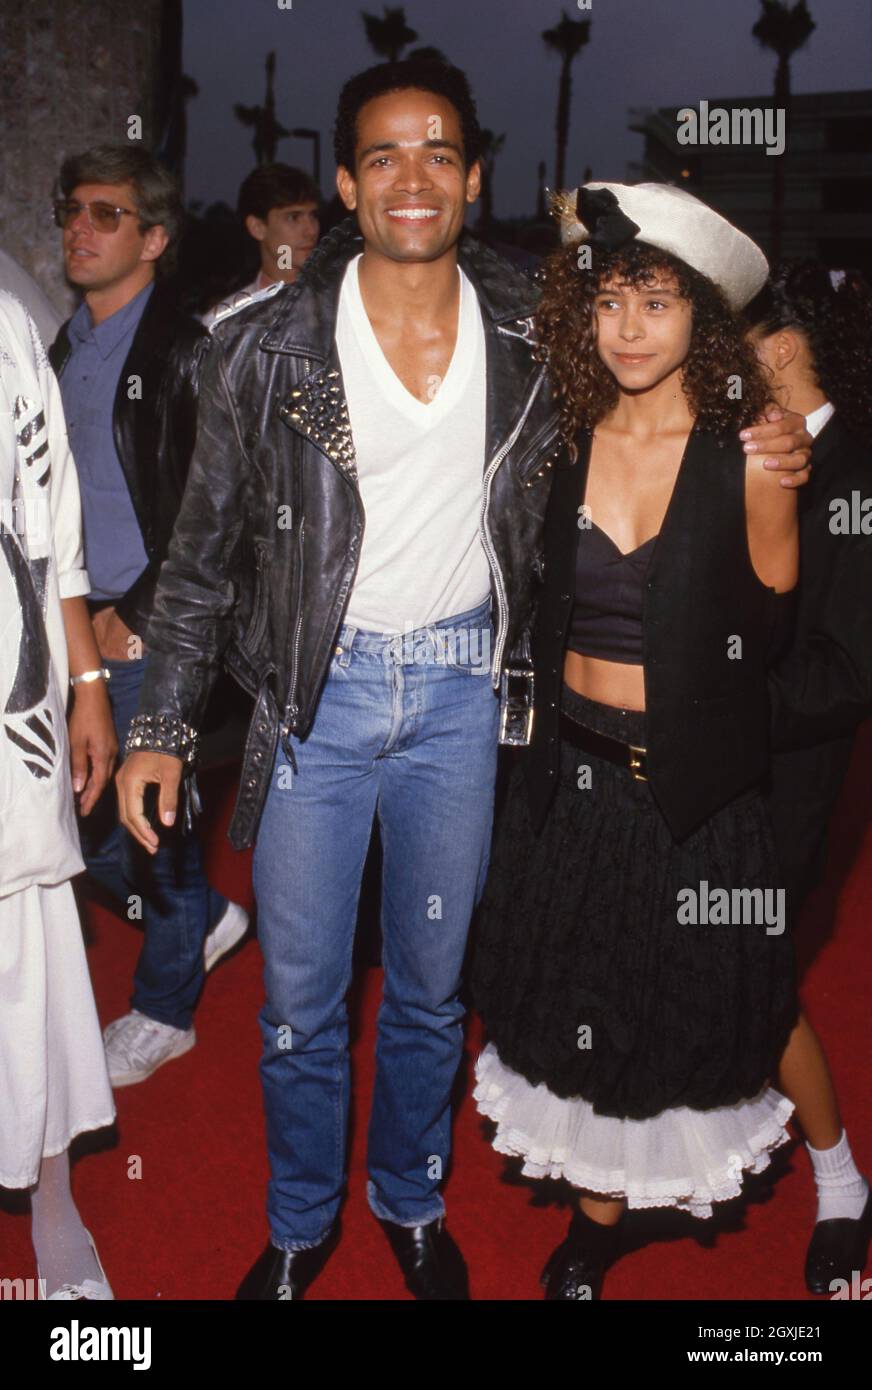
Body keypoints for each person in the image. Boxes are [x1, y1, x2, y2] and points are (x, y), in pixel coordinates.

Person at [115, 63, 811, 1301]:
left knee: (435, 995)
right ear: (345, 182)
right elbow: (199, 555)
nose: (412, 174)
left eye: (437, 150)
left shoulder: (530, 320)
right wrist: (160, 721)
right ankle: (294, 1225)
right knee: (302, 1001)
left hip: (462, 701)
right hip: (311, 707)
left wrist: (781, 397)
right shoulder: (262, 344)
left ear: (472, 174)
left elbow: (692, 304)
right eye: (382, 154)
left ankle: (411, 1201)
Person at [471, 182, 805, 1300]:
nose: (625, 328)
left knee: (709, 1013)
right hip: (565, 779)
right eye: (607, 300)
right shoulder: (557, 437)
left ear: (698, 319)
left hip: (690, 798)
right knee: (577, 1000)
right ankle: (594, 1223)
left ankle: (819, 1175)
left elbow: (772, 642)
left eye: (654, 304)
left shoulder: (753, 458)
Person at [49, 144, 249, 1089]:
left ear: (155, 238)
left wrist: (135, 612)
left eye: (105, 214)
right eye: (71, 211)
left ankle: (167, 1010)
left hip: (148, 626)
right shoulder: (62, 344)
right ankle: (204, 918)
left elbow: (222, 510)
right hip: (73, 625)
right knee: (78, 820)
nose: (78, 229)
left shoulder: (186, 351)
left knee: (146, 821)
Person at [746, 262, 872, 1293]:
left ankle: (836, 1175)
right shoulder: (755, 457)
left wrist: (716, 702)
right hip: (716, 770)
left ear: (780, 349)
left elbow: (846, 671)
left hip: (785, 786)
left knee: (755, 978)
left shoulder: (854, 481)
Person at [0, 289, 116, 1299]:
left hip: (12, 685)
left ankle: (48, 1193)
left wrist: (87, 686)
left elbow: (53, 528)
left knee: (24, 941)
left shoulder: (4, 324)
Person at [201, 163, 321, 327]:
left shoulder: (340, 304)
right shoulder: (225, 322)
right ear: (257, 228)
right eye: (293, 217)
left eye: (313, 216)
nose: (311, 230)